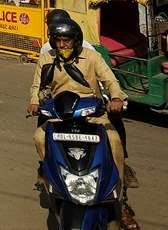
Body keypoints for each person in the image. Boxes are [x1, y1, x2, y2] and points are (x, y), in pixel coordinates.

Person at [28, 18, 136, 230]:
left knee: (113, 141)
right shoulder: (47, 58)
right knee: (39, 138)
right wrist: (34, 102)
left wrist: (116, 98)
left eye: (66, 40)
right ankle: (52, 176)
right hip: (60, 115)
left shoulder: (92, 57)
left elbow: (110, 81)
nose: (62, 45)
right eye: (57, 40)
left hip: (92, 114)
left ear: (75, 41)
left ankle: (119, 198)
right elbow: (38, 87)